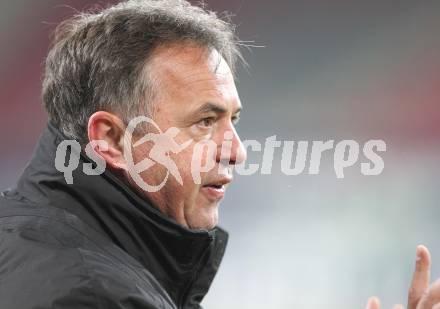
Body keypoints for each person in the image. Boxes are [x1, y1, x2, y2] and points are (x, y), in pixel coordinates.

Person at [0, 1, 438, 308]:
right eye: (205, 122)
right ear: (111, 141)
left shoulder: (28, 236)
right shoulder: (94, 294)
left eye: (234, 120)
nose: (237, 152)